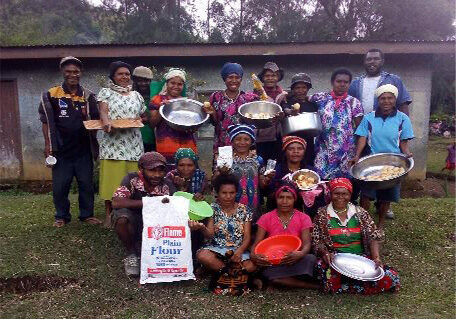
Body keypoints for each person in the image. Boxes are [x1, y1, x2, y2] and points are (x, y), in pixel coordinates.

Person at [38, 56, 101, 227]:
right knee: (60, 186)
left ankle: (87, 215)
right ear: (62, 72)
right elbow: (45, 121)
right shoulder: (51, 94)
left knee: (86, 184)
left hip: (83, 150)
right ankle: (61, 216)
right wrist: (48, 145)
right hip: (61, 150)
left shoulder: (88, 96)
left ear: (80, 73)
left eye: (76, 71)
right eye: (68, 71)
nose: (72, 74)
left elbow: (96, 120)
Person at [312, 178, 400, 294]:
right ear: (331, 194)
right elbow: (317, 241)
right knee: (323, 271)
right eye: (336, 193)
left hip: (360, 259)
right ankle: (357, 285)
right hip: (335, 261)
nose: (340, 197)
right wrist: (325, 253)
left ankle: (344, 286)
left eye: (345, 194)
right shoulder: (322, 214)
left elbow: (373, 236)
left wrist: (376, 257)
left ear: (350, 194)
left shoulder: (360, 213)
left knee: (392, 277)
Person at [352, 84, 414, 229]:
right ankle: (364, 224)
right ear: (378, 100)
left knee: (386, 197)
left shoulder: (403, 119)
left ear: (395, 99)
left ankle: (379, 225)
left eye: (390, 98)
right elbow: (362, 138)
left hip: (394, 163)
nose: (386, 101)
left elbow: (403, 142)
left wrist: (407, 154)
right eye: (383, 98)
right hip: (372, 162)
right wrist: (357, 156)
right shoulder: (369, 118)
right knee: (366, 195)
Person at [111, 152, 178, 276]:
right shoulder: (131, 179)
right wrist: (149, 202)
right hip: (133, 218)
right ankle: (131, 254)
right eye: (152, 171)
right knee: (122, 220)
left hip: (155, 223)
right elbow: (116, 202)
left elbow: (176, 206)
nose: (157, 175)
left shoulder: (167, 184)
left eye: (161, 171)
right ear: (141, 169)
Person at [97, 61, 147, 226]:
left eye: (127, 74)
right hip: (113, 145)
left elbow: (143, 115)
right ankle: (109, 215)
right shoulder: (106, 92)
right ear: (113, 76)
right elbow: (103, 111)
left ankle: (131, 214)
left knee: (133, 181)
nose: (125, 77)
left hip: (133, 145)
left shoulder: (136, 95)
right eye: (120, 74)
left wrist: (140, 119)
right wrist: (105, 122)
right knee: (112, 181)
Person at [251, 181, 318, 289]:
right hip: (273, 260)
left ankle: (279, 281)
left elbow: (307, 243)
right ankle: (309, 285)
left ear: (294, 199)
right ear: (276, 199)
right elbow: (257, 243)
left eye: (289, 198)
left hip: (295, 259)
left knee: (310, 259)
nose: (284, 201)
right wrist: (254, 256)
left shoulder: (304, 218)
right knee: (264, 270)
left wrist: (300, 254)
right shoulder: (266, 218)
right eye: (281, 197)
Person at [196, 173, 256, 276]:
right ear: (217, 193)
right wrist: (202, 228)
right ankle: (230, 272)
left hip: (238, 250)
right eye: (224, 193)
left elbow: (247, 237)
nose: (228, 197)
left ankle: (219, 270)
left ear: (236, 192)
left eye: (232, 193)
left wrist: (239, 251)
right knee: (203, 256)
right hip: (217, 250)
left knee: (252, 265)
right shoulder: (213, 208)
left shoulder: (244, 210)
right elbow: (210, 234)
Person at [310, 68, 364, 180]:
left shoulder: (354, 102)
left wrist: (357, 155)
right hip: (324, 151)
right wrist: (285, 94)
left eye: (346, 82)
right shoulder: (320, 98)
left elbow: (361, 131)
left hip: (346, 153)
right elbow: (301, 96)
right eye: (339, 81)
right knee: (322, 183)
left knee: (344, 185)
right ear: (332, 82)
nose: (342, 84)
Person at [213, 124, 270, 223]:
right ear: (232, 141)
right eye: (238, 139)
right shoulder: (225, 159)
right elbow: (214, 181)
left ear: (252, 141)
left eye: (246, 139)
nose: (242, 142)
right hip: (231, 202)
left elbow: (262, 184)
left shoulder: (258, 160)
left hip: (253, 203)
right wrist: (220, 173)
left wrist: (267, 179)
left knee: (252, 229)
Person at [202, 63, 258, 159]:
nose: (234, 81)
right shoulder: (216, 97)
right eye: (230, 77)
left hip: (244, 145)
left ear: (241, 79)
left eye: (237, 77)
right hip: (222, 144)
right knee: (222, 172)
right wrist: (213, 113)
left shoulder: (249, 98)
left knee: (243, 172)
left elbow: (256, 120)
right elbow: (215, 123)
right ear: (224, 79)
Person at [265, 136, 328, 218]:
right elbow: (270, 194)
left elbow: (320, 195)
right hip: (281, 213)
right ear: (285, 151)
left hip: (305, 214)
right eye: (291, 149)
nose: (296, 152)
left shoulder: (311, 171)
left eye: (299, 149)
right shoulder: (276, 171)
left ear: (304, 152)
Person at [149, 68, 198, 165]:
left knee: (187, 172)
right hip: (166, 145)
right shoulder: (157, 100)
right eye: (172, 83)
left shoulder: (187, 102)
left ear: (183, 86)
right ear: (166, 84)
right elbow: (152, 124)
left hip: (187, 145)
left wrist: (192, 128)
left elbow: (193, 125)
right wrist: (162, 109)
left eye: (179, 84)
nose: (176, 86)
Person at [349, 48, 412, 115]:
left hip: (387, 123)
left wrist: (405, 124)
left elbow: (403, 105)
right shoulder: (355, 83)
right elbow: (349, 106)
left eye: (376, 59)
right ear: (364, 62)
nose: (372, 61)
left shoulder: (394, 80)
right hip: (362, 123)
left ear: (382, 61)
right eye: (369, 59)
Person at [280, 73, 318, 165]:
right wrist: (292, 112)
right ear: (293, 89)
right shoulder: (287, 102)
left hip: (308, 141)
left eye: (304, 87)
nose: (301, 90)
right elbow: (285, 110)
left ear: (308, 89)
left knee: (307, 164)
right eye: (297, 88)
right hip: (290, 141)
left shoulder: (312, 104)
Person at [254, 62, 287, 162]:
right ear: (262, 78)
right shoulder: (255, 94)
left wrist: (284, 114)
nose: (270, 78)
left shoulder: (283, 95)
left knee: (275, 166)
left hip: (278, 137)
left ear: (278, 77)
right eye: (267, 76)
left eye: (274, 75)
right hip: (261, 137)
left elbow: (286, 110)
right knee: (260, 164)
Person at [132, 66, 155, 152]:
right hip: (134, 138)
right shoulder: (129, 96)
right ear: (135, 81)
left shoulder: (155, 96)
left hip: (152, 137)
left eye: (146, 80)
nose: (142, 83)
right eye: (139, 80)